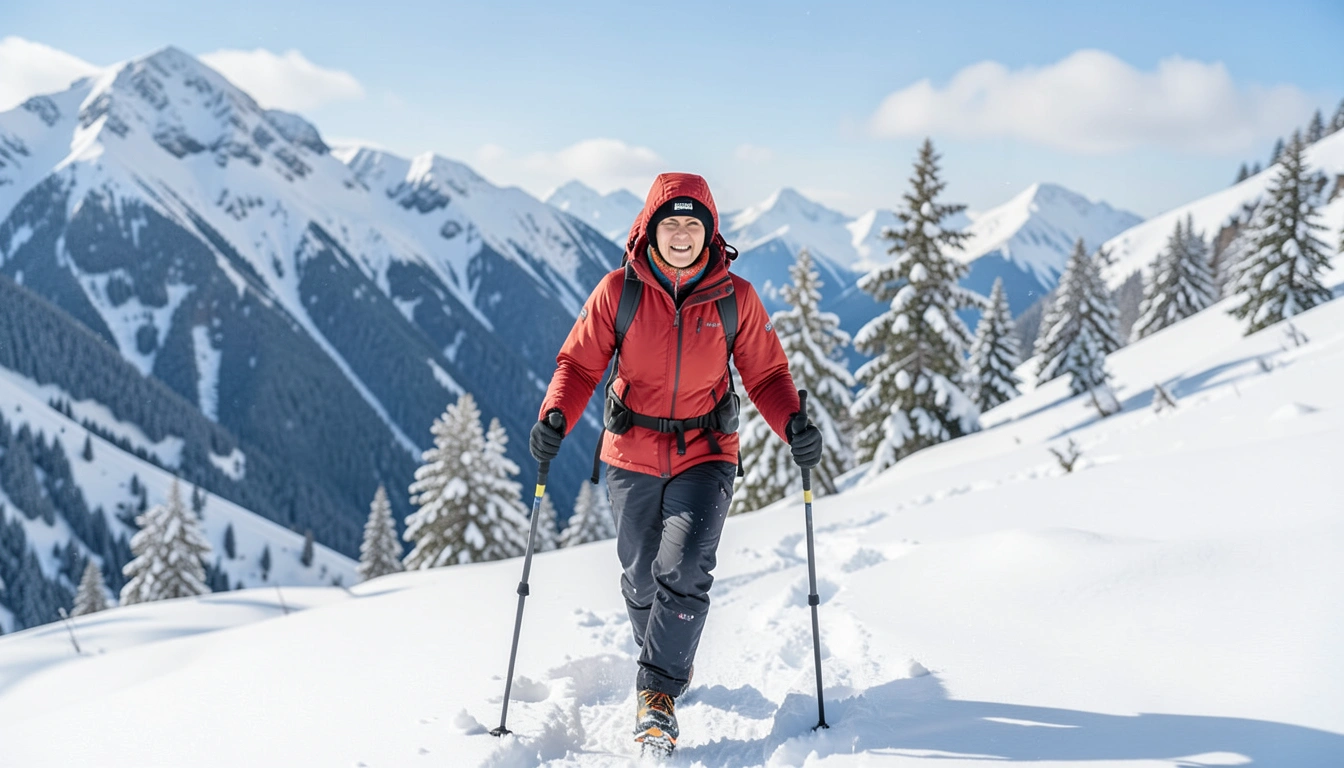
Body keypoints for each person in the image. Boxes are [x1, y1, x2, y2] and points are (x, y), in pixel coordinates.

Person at [529, 172, 823, 756]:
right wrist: (556, 414)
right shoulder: (620, 291)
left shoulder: (735, 298)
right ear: (651, 230)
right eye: (673, 223)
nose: (683, 234)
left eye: (694, 224)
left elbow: (766, 374)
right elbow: (580, 364)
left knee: (685, 565)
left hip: (707, 453)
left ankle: (657, 696)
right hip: (630, 452)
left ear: (710, 232)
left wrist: (792, 422)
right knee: (641, 574)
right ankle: (663, 656)